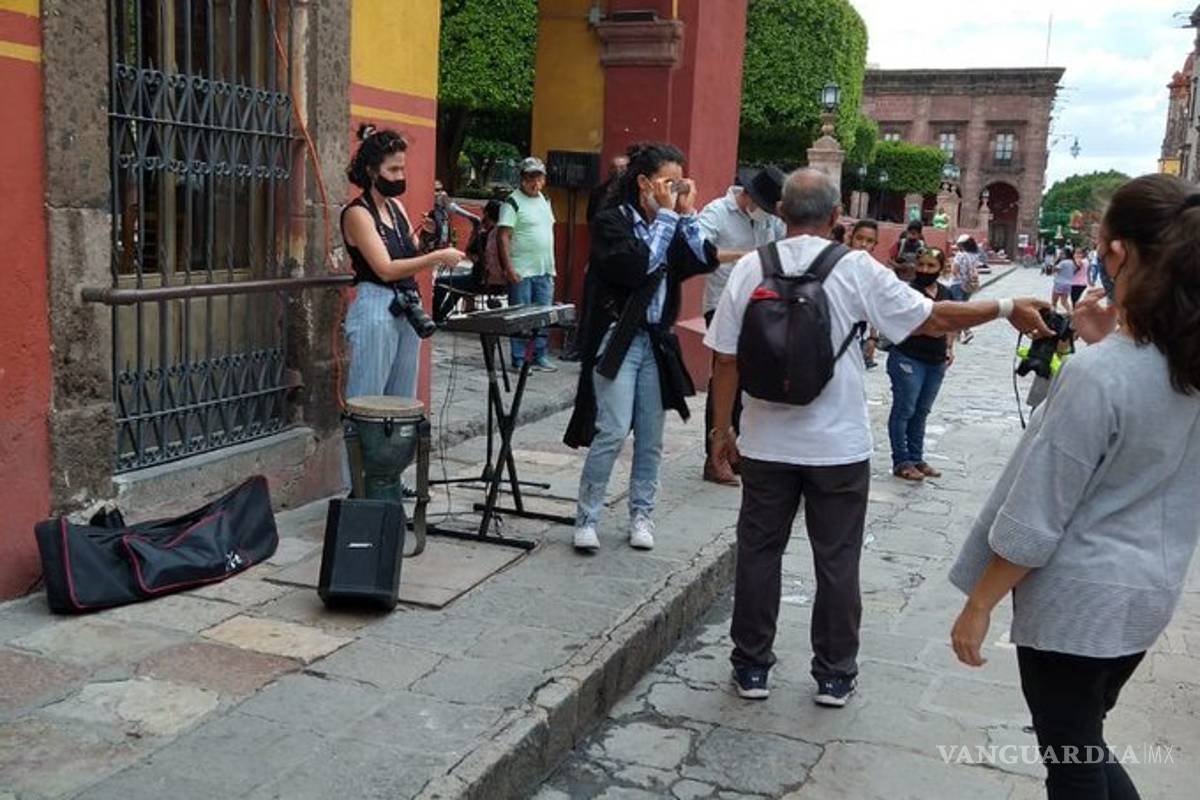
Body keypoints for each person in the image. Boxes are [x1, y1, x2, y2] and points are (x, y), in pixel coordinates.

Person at [705, 168, 1051, 707]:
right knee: (837, 561)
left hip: (766, 443)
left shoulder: (751, 268)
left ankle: (751, 668)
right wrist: (1005, 308)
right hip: (837, 447)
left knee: (758, 556)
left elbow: (725, 359)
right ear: (837, 215)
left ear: (781, 213)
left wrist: (721, 429)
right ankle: (834, 675)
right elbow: (932, 320)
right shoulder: (856, 268)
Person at [949, 174, 1200, 800]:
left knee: (1074, 763)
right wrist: (1106, 345)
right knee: (1085, 744)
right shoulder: (1183, 364)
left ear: (1116, 254)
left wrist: (979, 602)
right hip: (1148, 592)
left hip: (1079, 601)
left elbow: (1039, 511)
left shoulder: (1101, 375)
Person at [564, 142, 718, 553]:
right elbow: (636, 267)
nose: (673, 190)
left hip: (656, 342)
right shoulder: (611, 221)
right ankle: (587, 516)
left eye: (679, 182)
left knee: (651, 437)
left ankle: (642, 515)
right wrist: (667, 218)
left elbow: (704, 258)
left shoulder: (669, 222)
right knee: (612, 430)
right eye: (668, 183)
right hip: (617, 341)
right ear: (644, 183)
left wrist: (686, 216)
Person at [340, 124, 464, 403]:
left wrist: (430, 239)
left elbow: (412, 252)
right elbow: (384, 268)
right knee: (367, 400)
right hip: (376, 304)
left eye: (401, 169)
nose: (400, 176)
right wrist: (436, 257)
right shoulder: (357, 214)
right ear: (372, 171)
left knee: (402, 401)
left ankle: (396, 448)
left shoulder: (396, 208)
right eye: (393, 170)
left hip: (407, 306)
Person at [697, 166, 787, 486]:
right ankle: (715, 455)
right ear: (747, 195)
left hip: (760, 306)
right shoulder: (716, 213)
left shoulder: (771, 220)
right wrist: (744, 256)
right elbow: (699, 252)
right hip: (722, 303)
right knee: (724, 376)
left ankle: (739, 451)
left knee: (749, 382)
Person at [887, 247, 955, 482]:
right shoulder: (908, 292)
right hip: (908, 356)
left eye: (931, 266)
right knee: (904, 409)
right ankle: (901, 460)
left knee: (921, 411)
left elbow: (952, 322)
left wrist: (949, 347)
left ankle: (916, 457)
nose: (925, 270)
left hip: (935, 360)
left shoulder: (945, 293)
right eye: (922, 265)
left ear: (940, 268)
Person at [498, 156, 558, 372]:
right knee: (520, 316)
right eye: (531, 178)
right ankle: (519, 357)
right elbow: (503, 235)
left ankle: (539, 355)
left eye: (539, 178)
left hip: (544, 268)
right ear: (522, 179)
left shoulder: (545, 200)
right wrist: (509, 268)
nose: (535, 183)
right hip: (521, 269)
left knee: (543, 316)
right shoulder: (512, 202)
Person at [432, 199, 502, 323]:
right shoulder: (502, 234)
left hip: (481, 283)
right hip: (500, 285)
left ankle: (436, 316)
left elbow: (469, 253)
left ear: (487, 214)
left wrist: (475, 231)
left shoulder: (485, 236)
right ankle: (441, 316)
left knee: (440, 281)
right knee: (457, 286)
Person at [849, 220, 881, 368]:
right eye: (859, 238)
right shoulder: (836, 263)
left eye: (869, 241)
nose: (863, 244)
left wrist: (873, 337)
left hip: (858, 331)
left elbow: (874, 305)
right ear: (851, 237)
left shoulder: (875, 272)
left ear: (875, 245)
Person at [950, 234, 981, 344]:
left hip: (957, 284)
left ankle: (967, 331)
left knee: (957, 310)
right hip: (969, 285)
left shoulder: (960, 255)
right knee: (962, 308)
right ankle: (957, 335)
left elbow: (954, 270)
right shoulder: (975, 255)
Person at [587, 154, 629, 223]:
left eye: (622, 167)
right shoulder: (598, 190)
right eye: (614, 167)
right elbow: (590, 214)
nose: (618, 171)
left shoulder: (632, 191)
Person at [1051, 246, 1075, 312]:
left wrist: (1055, 262)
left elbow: (1053, 270)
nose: (1060, 255)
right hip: (1068, 284)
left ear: (1065, 254)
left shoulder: (1062, 262)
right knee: (1064, 302)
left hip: (1059, 283)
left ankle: (1053, 316)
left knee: (1054, 302)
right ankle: (1071, 314)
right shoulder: (1072, 262)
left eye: (1062, 253)